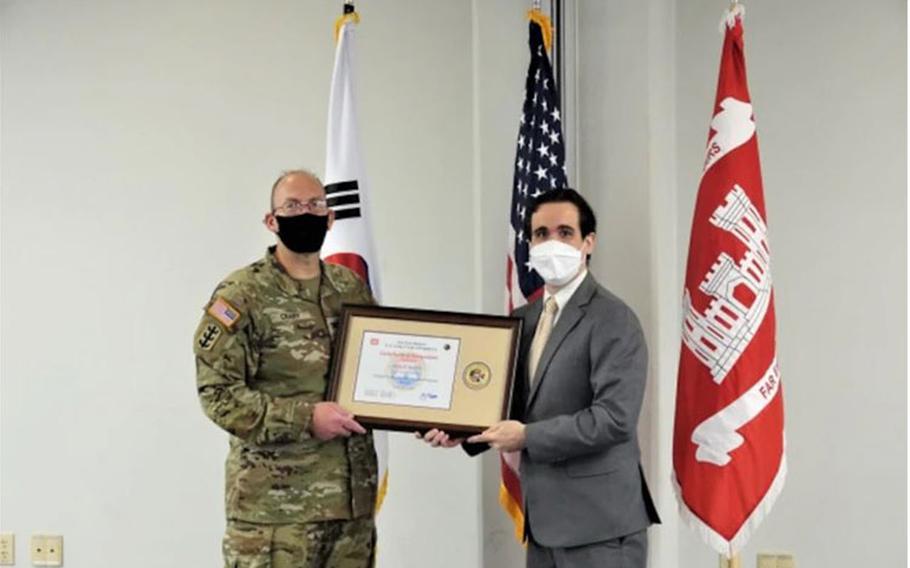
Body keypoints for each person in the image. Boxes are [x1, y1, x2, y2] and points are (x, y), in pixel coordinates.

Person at [421, 188, 660, 568]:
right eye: (541, 234)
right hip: (544, 523)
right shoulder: (522, 320)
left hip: (600, 526)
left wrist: (527, 436)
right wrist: (458, 429)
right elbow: (509, 403)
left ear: (588, 242)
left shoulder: (613, 319)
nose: (552, 243)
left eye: (565, 233)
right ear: (529, 243)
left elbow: (614, 419)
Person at [194, 169, 378, 568]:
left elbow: (381, 372)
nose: (305, 213)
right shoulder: (241, 295)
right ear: (271, 221)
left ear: (330, 218)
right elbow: (218, 394)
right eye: (292, 206)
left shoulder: (351, 288)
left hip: (351, 508)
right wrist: (305, 418)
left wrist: (432, 415)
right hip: (274, 516)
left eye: (315, 205)